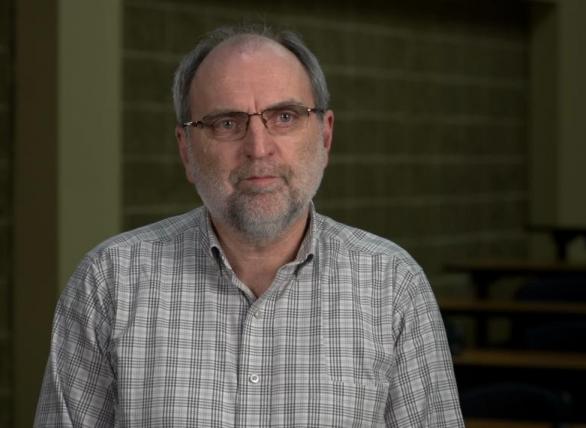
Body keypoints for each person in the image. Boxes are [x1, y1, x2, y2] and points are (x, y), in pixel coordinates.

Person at [35, 23, 464, 427]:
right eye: (227, 123)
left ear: (325, 136)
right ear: (186, 150)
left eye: (284, 117)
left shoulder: (392, 285)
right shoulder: (109, 283)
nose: (258, 148)